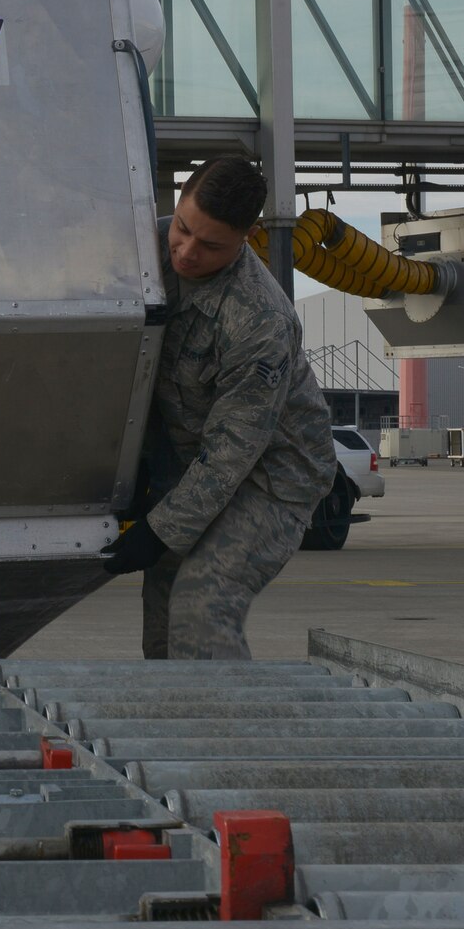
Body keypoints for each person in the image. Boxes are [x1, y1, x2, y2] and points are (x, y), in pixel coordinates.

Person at [101, 156, 335, 660]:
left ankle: (228, 733)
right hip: (191, 460)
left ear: (248, 236)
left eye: (210, 246)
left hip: (273, 477)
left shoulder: (259, 319)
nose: (186, 252)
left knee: (202, 603)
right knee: (164, 610)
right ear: (180, 199)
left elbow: (232, 453)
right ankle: (172, 731)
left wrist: (161, 529)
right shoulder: (145, 250)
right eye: (183, 229)